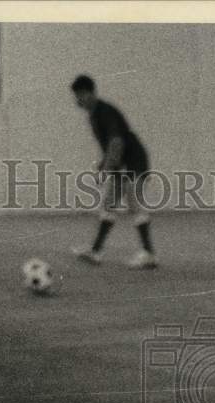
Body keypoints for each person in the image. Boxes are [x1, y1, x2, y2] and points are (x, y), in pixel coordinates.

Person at [70, 75, 156, 269]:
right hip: (122, 163)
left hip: (133, 160)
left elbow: (117, 142)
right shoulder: (94, 114)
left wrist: (106, 169)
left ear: (89, 93)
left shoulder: (104, 112)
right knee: (109, 204)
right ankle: (96, 251)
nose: (77, 100)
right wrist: (105, 163)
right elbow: (112, 144)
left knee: (134, 203)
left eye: (79, 95)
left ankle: (149, 254)